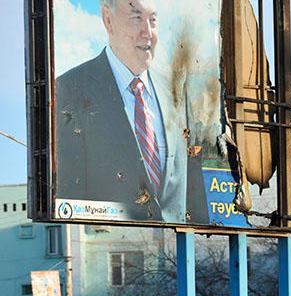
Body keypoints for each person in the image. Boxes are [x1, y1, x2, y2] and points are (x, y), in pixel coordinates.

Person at [55, 0, 207, 223]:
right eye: (136, 18)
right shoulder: (69, 90)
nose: (148, 32)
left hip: (179, 252)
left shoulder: (177, 93)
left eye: (153, 21)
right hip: (114, 248)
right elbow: (68, 196)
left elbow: (193, 194)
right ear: (108, 19)